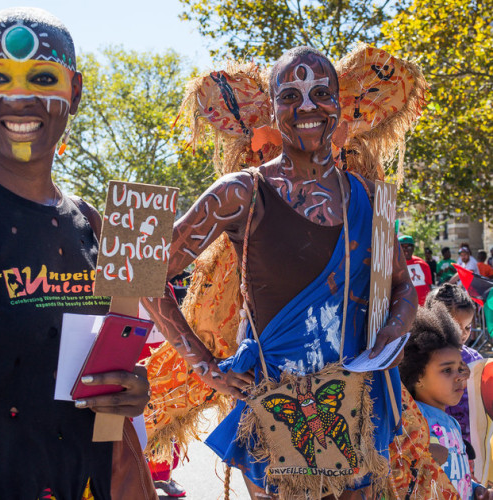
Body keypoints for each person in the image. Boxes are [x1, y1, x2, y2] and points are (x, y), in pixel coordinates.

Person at [145, 46, 418, 499]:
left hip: (359, 405)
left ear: (338, 103)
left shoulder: (374, 199)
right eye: (290, 94)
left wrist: (392, 333)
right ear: (272, 108)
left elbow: (403, 287)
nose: (307, 107)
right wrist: (204, 367)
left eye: (321, 93)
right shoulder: (241, 193)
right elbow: (145, 271)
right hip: (276, 408)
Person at [0, 8, 151, 499]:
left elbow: (124, 353)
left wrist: (131, 389)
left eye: (43, 78)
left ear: (75, 93)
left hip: (90, 480)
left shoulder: (112, 225)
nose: (19, 99)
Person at [399, 305, 493, 499]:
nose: (459, 376)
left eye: (460, 368)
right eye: (447, 370)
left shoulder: (452, 424)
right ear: (417, 376)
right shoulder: (412, 419)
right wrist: (422, 457)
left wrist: (476, 490)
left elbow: (458, 477)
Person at [425, 284, 482, 445]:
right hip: (433, 441)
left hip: (469, 444)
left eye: (468, 327)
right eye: (456, 326)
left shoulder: (474, 358)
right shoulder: (420, 359)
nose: (463, 333)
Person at [399, 234, 432, 305]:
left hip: (424, 305)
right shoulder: (395, 265)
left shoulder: (422, 263)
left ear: (413, 248)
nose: (406, 249)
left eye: (409, 246)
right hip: (406, 306)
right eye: (402, 247)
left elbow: (429, 285)